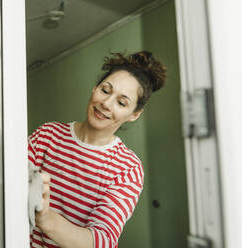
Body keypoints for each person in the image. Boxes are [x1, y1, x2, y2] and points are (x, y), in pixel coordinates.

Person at [28, 51, 166, 248]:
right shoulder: (47, 135)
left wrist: (45, 218)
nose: (106, 104)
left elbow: (102, 241)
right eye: (105, 90)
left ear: (134, 114)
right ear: (95, 88)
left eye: (121, 102)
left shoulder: (128, 169)